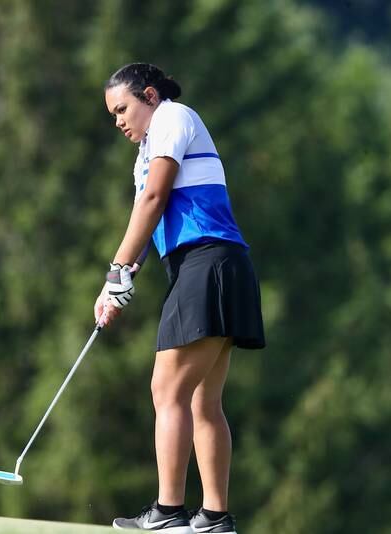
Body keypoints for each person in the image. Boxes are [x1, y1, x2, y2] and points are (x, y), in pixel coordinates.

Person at [96, 63, 266, 533]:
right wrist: (121, 280)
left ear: (149, 95)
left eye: (123, 108)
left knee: (166, 390)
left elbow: (155, 199)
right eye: (113, 114)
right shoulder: (146, 152)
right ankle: (213, 517)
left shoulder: (173, 117)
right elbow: (148, 220)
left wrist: (114, 269)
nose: (118, 121)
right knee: (202, 402)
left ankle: (168, 513)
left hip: (207, 263)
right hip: (217, 267)